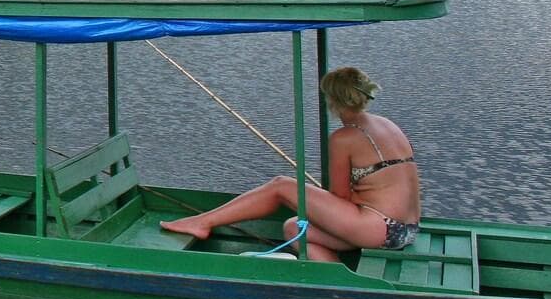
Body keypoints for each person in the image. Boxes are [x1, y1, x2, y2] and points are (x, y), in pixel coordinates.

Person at [159, 66, 420, 261]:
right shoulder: (388, 125)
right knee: (294, 227)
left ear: (332, 100)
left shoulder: (344, 138)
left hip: (379, 228)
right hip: (406, 230)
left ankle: (202, 222)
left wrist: (314, 198)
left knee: (281, 186)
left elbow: (341, 197)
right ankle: (336, 281)